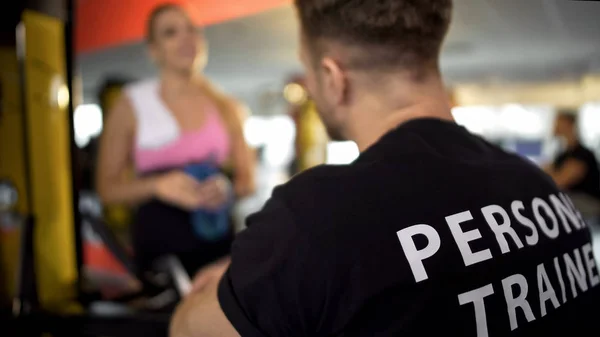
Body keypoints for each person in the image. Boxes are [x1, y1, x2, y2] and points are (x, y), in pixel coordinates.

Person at [171, 1, 600, 336]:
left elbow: (188, 330)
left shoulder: (317, 217)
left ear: (333, 77)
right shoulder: (542, 189)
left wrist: (241, 277)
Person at [96, 4, 255, 279]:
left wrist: (226, 188)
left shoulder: (226, 106)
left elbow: (247, 181)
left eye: (192, 30)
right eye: (170, 33)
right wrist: (158, 186)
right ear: (153, 49)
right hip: (160, 253)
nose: (186, 39)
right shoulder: (131, 104)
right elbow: (107, 190)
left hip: (217, 248)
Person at [544, 110, 600, 201]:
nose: (554, 125)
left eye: (558, 121)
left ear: (568, 124)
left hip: (587, 201)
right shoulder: (563, 154)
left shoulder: (582, 154)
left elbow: (559, 182)